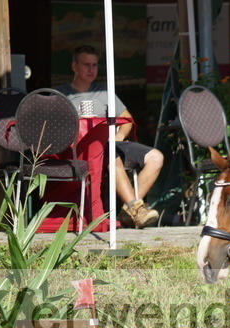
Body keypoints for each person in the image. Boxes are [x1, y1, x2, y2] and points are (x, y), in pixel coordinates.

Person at [55, 45, 163, 228]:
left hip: (108, 144)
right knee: (112, 155)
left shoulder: (104, 91)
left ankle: (130, 210)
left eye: (95, 65)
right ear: (74, 66)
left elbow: (127, 119)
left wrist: (118, 136)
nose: (91, 70)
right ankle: (136, 208)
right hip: (79, 149)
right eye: (86, 65)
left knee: (156, 157)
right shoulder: (62, 94)